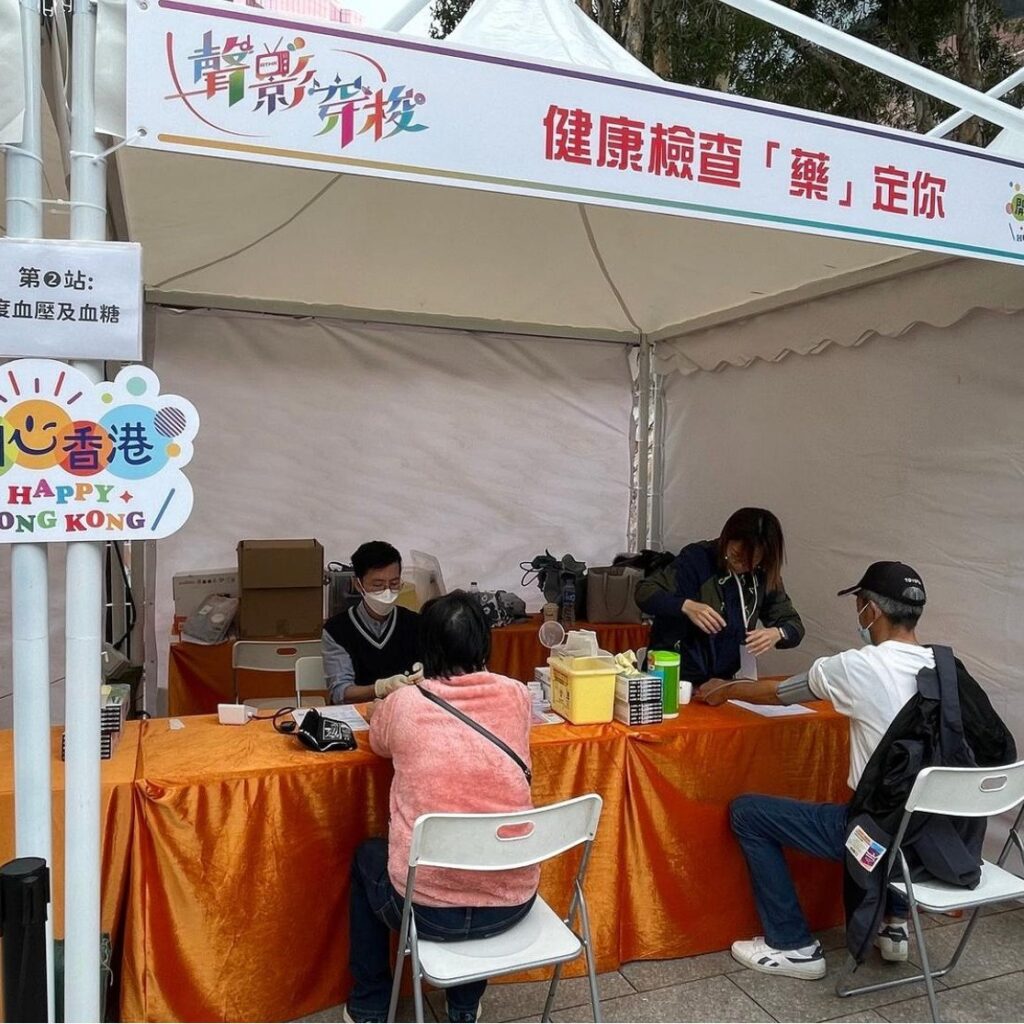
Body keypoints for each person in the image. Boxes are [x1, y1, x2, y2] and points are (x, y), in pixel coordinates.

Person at [697, 561, 1015, 980]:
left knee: (748, 813)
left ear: (872, 611)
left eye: (860, 604)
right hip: (945, 844)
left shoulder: (857, 666)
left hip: (878, 843)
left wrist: (726, 689)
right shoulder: (949, 671)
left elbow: (780, 692)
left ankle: (792, 945)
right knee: (908, 801)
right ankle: (895, 923)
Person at [344, 592, 539, 1024]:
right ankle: (463, 1006)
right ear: (484, 643)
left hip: (424, 910)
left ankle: (370, 1005)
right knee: (482, 851)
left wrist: (393, 700)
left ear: (424, 648)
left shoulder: (404, 704)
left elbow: (379, 742)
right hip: (512, 902)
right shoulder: (516, 694)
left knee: (366, 857)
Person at [635, 507, 805, 687]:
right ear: (727, 539)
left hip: (721, 683)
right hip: (675, 675)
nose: (741, 566)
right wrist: (685, 606)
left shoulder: (762, 575)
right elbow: (644, 592)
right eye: (736, 556)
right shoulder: (696, 559)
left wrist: (778, 633)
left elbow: (794, 625)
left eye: (751, 561)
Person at [322, 541, 422, 704]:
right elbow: (340, 692)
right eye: (377, 585)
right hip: (359, 712)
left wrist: (427, 677)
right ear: (358, 585)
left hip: (405, 709)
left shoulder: (415, 623)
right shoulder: (337, 630)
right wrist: (380, 688)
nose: (387, 592)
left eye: (394, 584)